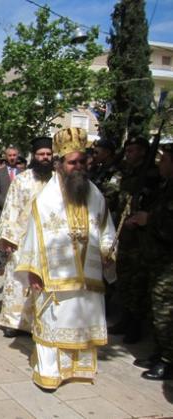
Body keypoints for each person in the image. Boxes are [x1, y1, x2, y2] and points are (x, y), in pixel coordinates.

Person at [15, 127, 115, 391]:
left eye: (82, 161)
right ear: (59, 165)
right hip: (55, 279)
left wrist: (108, 252)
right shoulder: (45, 199)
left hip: (87, 277)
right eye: (72, 163)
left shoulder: (95, 194)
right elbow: (33, 237)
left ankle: (78, 369)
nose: (78, 167)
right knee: (54, 321)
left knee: (82, 321)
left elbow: (106, 228)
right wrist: (33, 271)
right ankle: (50, 372)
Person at [0, 137, 54, 338]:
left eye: (48, 154)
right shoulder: (22, 180)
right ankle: (13, 322)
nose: (45, 157)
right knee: (18, 280)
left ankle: (39, 321)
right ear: (34, 156)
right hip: (22, 239)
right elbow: (11, 208)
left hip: (48, 240)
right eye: (41, 154)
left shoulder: (58, 180)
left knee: (42, 281)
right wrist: (8, 237)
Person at [127, 144, 173, 380]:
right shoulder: (165, 186)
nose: (160, 164)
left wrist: (150, 219)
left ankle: (168, 361)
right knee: (156, 309)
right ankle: (160, 353)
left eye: (164, 160)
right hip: (155, 258)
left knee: (165, 312)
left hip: (168, 262)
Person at [108, 137, 159, 343]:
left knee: (137, 281)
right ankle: (125, 319)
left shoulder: (152, 175)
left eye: (132, 150)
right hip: (125, 234)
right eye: (127, 150)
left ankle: (135, 325)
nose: (128, 154)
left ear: (143, 152)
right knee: (124, 278)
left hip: (141, 237)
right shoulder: (127, 172)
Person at [0, 145, 21, 275]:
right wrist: (7, 204)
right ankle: (2, 265)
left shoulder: (23, 173)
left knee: (16, 238)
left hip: (19, 213)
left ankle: (16, 264)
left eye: (14, 155)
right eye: (10, 155)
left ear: (17, 156)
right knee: (3, 237)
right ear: (6, 156)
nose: (12, 158)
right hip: (2, 211)